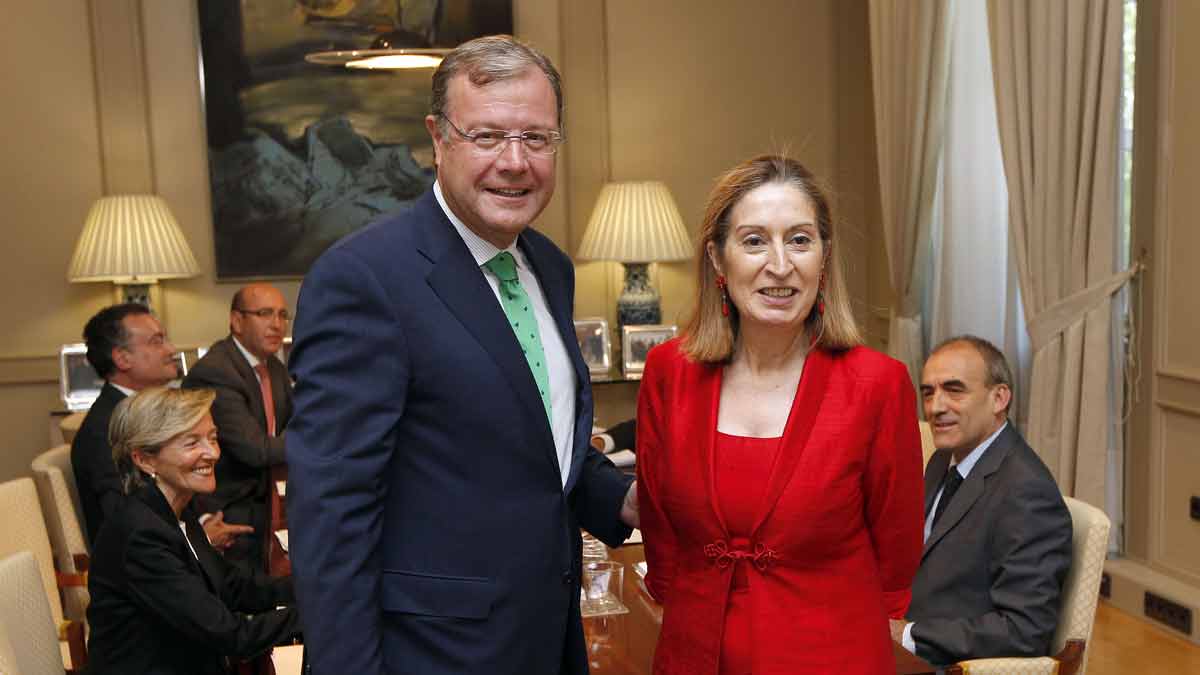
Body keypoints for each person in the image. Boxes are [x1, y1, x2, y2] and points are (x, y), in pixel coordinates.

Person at [287, 35, 638, 675]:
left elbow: (533, 444)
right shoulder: (365, 279)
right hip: (428, 656)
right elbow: (333, 519)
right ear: (437, 139)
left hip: (544, 640)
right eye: (487, 137)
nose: (515, 161)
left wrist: (624, 499)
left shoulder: (549, 268)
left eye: (536, 138)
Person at [637, 155, 925, 674]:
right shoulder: (668, 372)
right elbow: (660, 528)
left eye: (799, 239)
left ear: (824, 257)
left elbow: (897, 550)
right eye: (753, 241)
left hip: (833, 655)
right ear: (718, 261)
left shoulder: (878, 386)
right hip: (691, 654)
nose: (780, 264)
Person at [85, 387, 300, 674]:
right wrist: (317, 613)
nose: (212, 453)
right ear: (145, 460)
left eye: (212, 438)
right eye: (191, 443)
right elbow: (229, 635)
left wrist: (311, 588)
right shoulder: (141, 535)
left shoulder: (175, 508)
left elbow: (232, 587)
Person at [896, 335, 1072, 665]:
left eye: (954, 389)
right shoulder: (944, 458)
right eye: (928, 392)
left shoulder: (1027, 491)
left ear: (999, 398)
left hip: (952, 664)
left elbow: (1025, 630)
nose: (935, 407)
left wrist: (908, 636)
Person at [71, 303, 250, 549]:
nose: (171, 350)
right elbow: (124, 518)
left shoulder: (151, 410)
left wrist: (206, 520)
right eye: (157, 341)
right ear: (122, 358)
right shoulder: (105, 430)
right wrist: (201, 540)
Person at [184, 283, 293, 569]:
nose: (277, 325)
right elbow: (255, 450)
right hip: (227, 507)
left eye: (283, 315)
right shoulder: (217, 371)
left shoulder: (274, 367)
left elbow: (297, 423)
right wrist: (321, 440)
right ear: (237, 321)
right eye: (265, 314)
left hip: (268, 495)